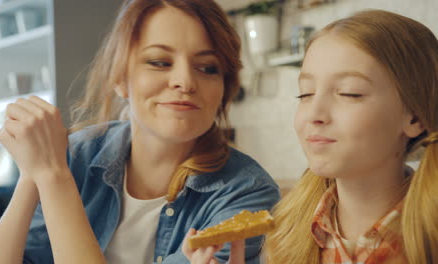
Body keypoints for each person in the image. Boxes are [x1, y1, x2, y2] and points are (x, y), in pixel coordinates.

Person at [0, 0, 281, 263]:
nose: (185, 81)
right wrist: (32, 174)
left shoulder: (246, 194)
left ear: (224, 89)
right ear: (120, 78)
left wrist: (52, 176)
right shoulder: (74, 157)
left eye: (208, 67)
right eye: (160, 62)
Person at [185, 9, 438, 264]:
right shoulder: (284, 237)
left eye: (350, 93)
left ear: (414, 117)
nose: (314, 114)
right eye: (305, 94)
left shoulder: (429, 242)